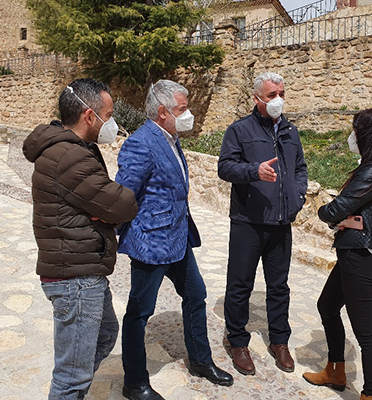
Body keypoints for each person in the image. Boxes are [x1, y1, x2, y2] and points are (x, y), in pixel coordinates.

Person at [116, 79, 233, 400]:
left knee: (196, 295)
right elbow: (124, 196)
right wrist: (120, 234)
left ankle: (200, 360)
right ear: (163, 112)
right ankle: (135, 382)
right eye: (183, 109)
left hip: (178, 239)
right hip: (152, 243)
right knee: (139, 313)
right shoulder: (141, 143)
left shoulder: (171, 138)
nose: (188, 114)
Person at [22, 78, 138, 400]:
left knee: (105, 334)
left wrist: (102, 209)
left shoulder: (75, 149)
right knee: (71, 376)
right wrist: (108, 210)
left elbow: (105, 203)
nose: (113, 124)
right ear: (90, 116)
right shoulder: (70, 156)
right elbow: (123, 204)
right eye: (109, 115)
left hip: (83, 270)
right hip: (75, 278)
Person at [303, 108, 372, 400]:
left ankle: (371, 395)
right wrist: (345, 218)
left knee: (367, 335)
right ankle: (335, 371)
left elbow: (333, 210)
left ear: (369, 135)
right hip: (357, 255)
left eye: (356, 130)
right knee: (327, 306)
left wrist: (328, 212)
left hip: (363, 258)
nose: (352, 136)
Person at [218, 72, 308, 375]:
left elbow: (300, 168)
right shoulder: (239, 130)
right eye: (272, 95)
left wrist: (297, 197)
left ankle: (279, 341)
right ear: (257, 98)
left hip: (281, 223)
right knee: (240, 284)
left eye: (281, 93)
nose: (278, 100)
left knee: (279, 286)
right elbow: (225, 167)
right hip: (248, 222)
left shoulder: (290, 131)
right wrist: (253, 171)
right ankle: (238, 341)